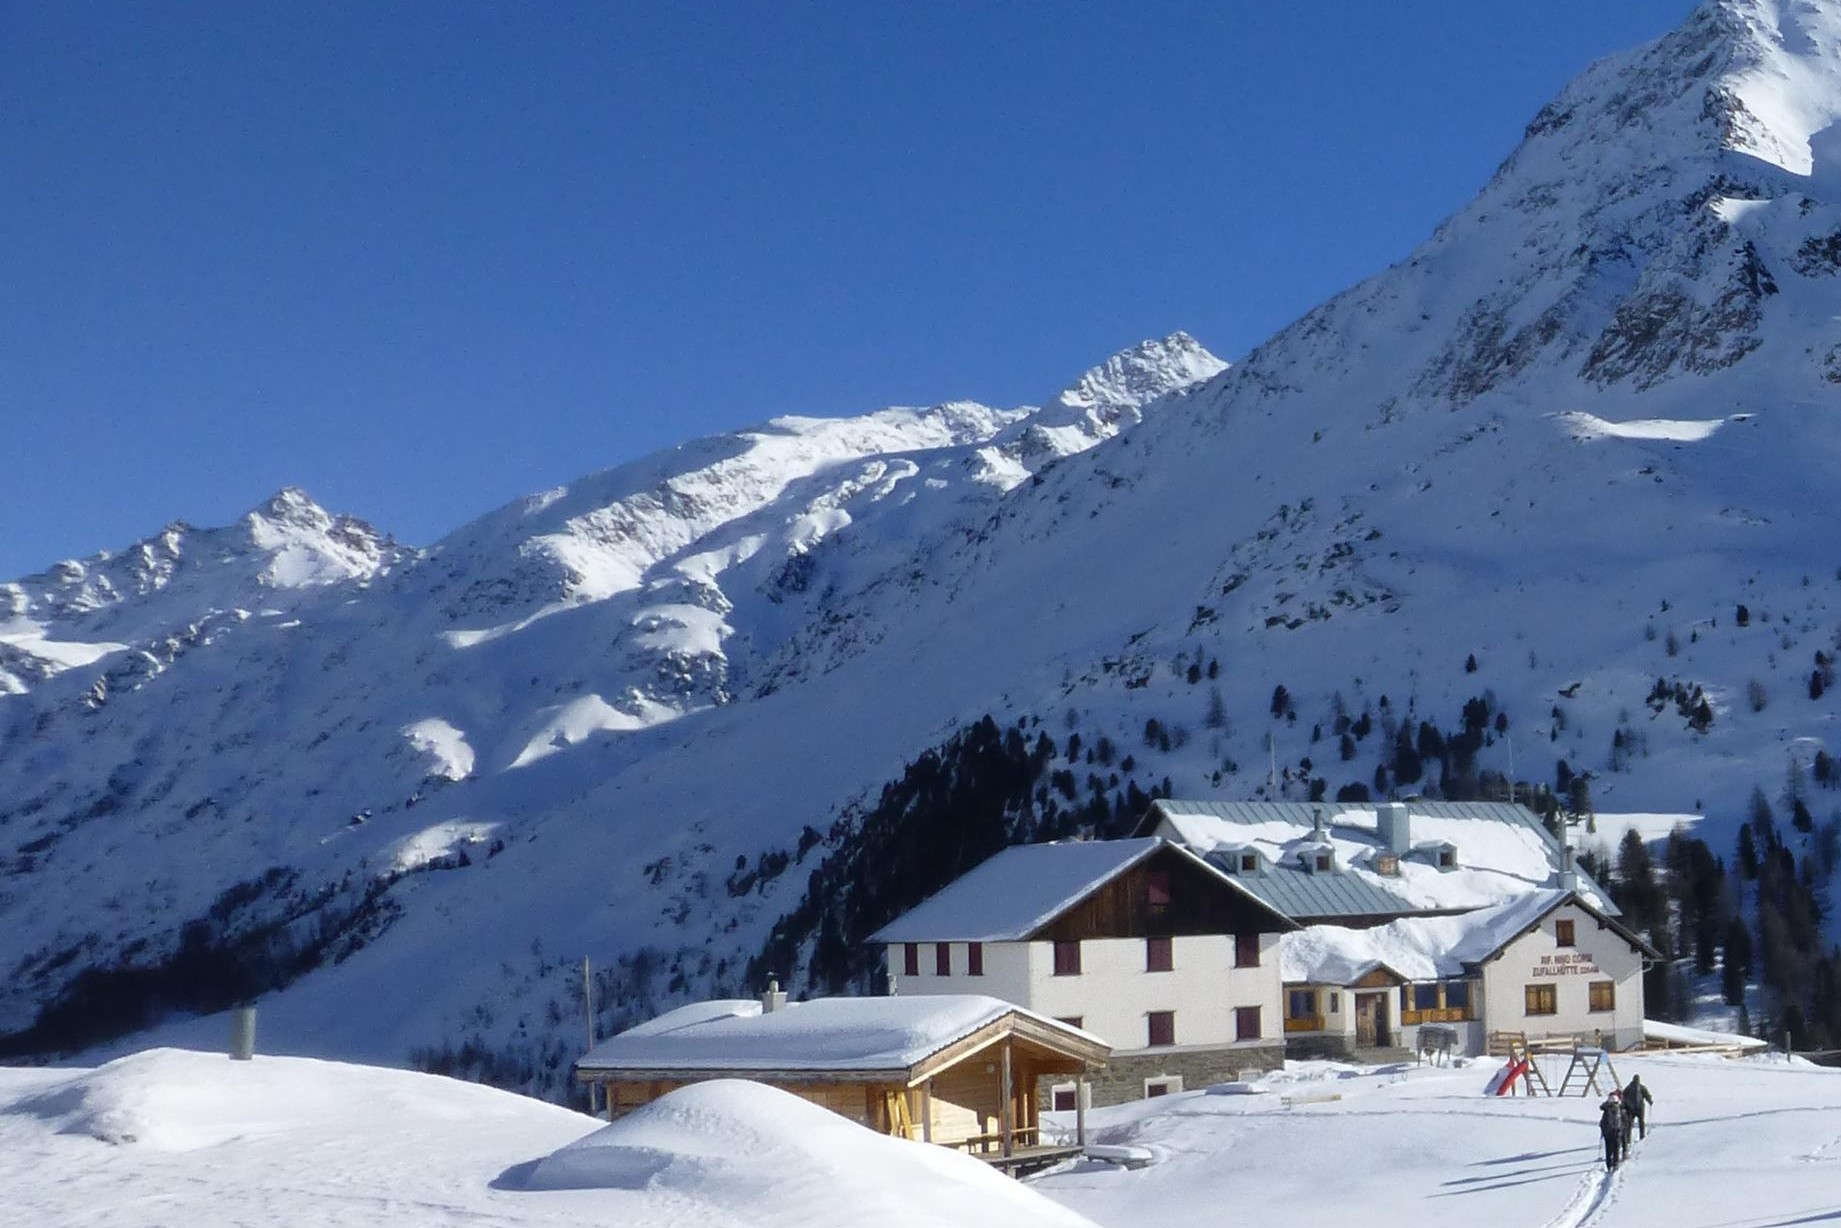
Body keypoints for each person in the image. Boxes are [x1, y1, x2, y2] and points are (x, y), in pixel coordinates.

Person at [1599, 1091, 1625, 1169]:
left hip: (1607, 1133)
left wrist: (1603, 1131)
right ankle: (1615, 1163)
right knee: (1616, 1148)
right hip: (1617, 1132)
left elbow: (1603, 1122)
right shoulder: (1620, 1109)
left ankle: (1609, 1165)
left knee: (1608, 1149)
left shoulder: (1606, 1109)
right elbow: (1624, 1121)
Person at [1623, 1074, 1653, 1140]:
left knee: (1631, 1123)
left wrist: (1623, 1105)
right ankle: (1640, 1136)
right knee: (1638, 1122)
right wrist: (1649, 1100)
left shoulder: (1629, 1087)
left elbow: (1624, 1097)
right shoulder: (1640, 1087)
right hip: (1638, 1108)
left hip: (1633, 1108)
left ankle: (1629, 1138)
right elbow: (1647, 1095)